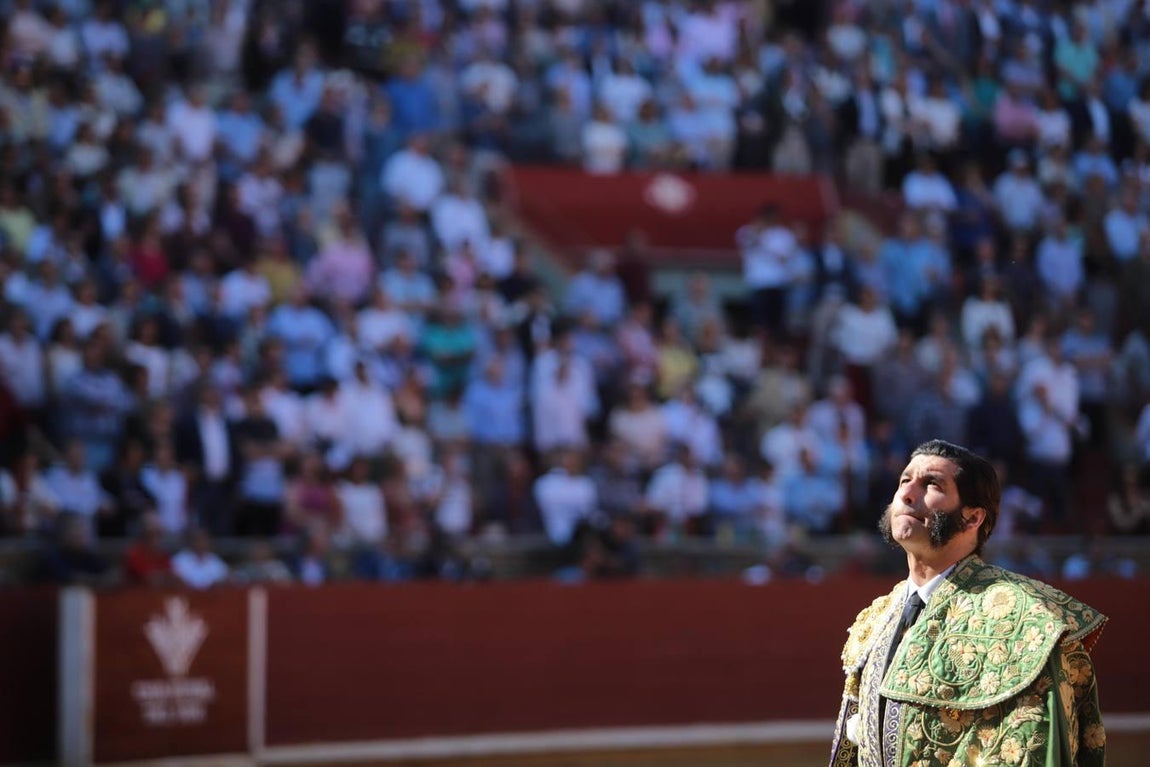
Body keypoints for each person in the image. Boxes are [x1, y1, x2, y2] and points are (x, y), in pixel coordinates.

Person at [829, 440, 1106, 767]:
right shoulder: (876, 619)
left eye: (931, 484)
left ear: (972, 518)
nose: (907, 494)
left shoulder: (1024, 618)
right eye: (905, 481)